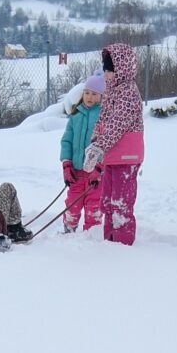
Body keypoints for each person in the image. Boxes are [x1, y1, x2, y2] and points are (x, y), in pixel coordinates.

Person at [82, 43, 145, 247]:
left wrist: (100, 146)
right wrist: (94, 142)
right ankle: (109, 243)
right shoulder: (111, 90)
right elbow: (103, 119)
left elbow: (117, 124)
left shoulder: (129, 93)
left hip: (126, 157)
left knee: (121, 203)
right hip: (112, 156)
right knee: (107, 201)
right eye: (106, 70)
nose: (107, 75)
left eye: (110, 70)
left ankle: (122, 246)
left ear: (122, 69)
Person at [59, 73, 104, 233]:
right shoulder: (75, 115)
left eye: (95, 94)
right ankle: (68, 230)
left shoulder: (104, 116)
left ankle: (91, 235)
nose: (90, 97)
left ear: (102, 96)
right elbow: (66, 141)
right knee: (72, 204)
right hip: (76, 172)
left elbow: (107, 145)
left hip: (95, 174)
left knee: (94, 206)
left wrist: (100, 167)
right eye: (87, 93)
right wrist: (66, 164)